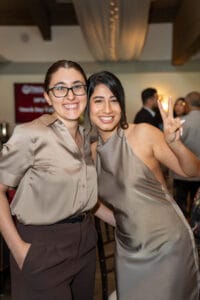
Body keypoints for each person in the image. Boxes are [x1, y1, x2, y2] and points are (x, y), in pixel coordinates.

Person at [0, 60, 114, 300]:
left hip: (84, 242)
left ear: (86, 91)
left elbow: (84, 199)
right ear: (47, 97)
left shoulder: (85, 137)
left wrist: (122, 222)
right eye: (60, 88)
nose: (70, 95)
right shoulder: (31, 133)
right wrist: (19, 250)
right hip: (41, 244)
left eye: (77, 86)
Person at [86, 71, 200, 300]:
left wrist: (175, 144)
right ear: (87, 106)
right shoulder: (92, 151)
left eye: (114, 99)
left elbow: (193, 171)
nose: (107, 109)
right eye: (98, 100)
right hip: (127, 249)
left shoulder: (143, 133)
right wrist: (119, 221)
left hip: (168, 245)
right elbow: (89, 201)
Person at [173, 91, 200, 217]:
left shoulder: (180, 122)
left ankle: (185, 231)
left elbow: (172, 146)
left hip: (182, 171)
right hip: (199, 171)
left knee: (181, 205)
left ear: (187, 104)